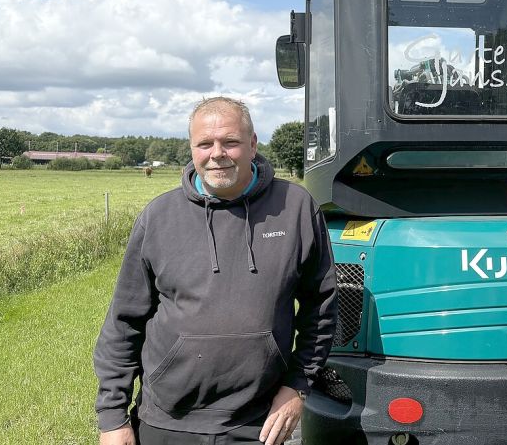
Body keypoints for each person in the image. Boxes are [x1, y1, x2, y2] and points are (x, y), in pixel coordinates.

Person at [94, 97, 337, 445]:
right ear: (192, 148)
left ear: (253, 145)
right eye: (204, 143)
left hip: (260, 422)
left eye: (231, 142)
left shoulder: (296, 208)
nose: (217, 153)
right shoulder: (159, 217)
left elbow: (322, 308)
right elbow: (123, 322)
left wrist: (297, 386)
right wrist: (112, 418)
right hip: (168, 419)